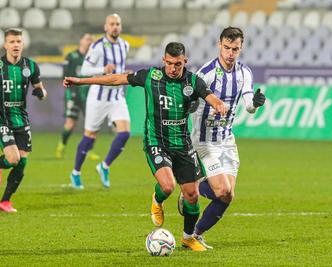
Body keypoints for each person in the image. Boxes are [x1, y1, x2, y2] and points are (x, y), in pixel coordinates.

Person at [64, 42, 227, 251]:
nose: (173, 68)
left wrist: (218, 104)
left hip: (182, 144)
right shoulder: (151, 77)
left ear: (184, 61)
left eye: (177, 64)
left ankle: (188, 238)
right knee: (168, 186)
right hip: (156, 141)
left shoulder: (193, 81)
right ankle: (157, 199)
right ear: (163, 61)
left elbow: (210, 96)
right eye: (169, 63)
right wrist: (81, 81)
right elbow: (116, 78)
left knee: (192, 195)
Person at [178, 26, 266, 249]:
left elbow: (248, 106)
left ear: (240, 48)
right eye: (227, 48)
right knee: (221, 190)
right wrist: (197, 104)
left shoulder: (244, 73)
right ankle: (191, 190)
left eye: (235, 49)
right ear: (220, 45)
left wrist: (255, 103)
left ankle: (195, 234)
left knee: (227, 196)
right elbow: (188, 103)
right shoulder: (205, 73)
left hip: (226, 140)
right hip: (204, 141)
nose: (230, 53)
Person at [0, 28, 47, 213]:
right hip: (2, 118)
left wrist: (41, 93)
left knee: (22, 162)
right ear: (5, 45)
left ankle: (4, 201)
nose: (15, 45)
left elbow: (42, 91)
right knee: (13, 159)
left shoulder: (30, 66)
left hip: (21, 119)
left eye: (18, 41)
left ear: (23, 44)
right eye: (12, 42)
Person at [69, 14, 130, 189]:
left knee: (125, 133)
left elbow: (118, 68)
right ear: (106, 27)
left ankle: (104, 166)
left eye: (118, 24)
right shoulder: (97, 46)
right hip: (98, 98)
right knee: (89, 136)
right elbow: (84, 69)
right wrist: (102, 69)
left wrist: (122, 72)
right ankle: (76, 173)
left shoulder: (125, 45)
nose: (115, 27)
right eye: (112, 24)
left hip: (117, 97)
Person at [55, 33, 100, 161]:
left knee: (92, 125)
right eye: (87, 39)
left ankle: (89, 150)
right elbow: (65, 76)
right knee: (70, 123)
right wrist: (72, 91)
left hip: (88, 96)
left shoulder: (93, 59)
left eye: (91, 40)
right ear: (81, 40)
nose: (89, 42)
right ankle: (62, 145)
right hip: (73, 94)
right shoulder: (72, 57)